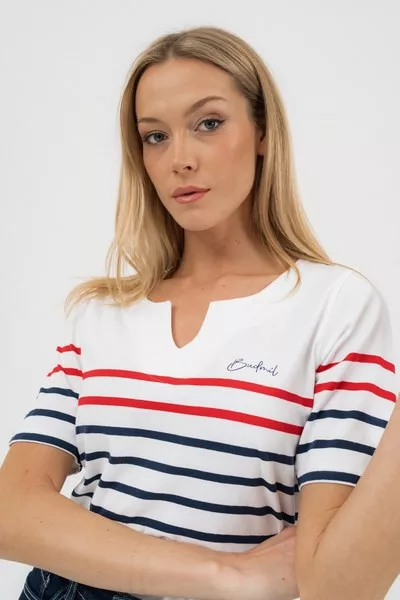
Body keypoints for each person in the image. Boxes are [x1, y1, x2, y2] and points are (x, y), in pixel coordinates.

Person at [0, 25, 397, 600]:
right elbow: (11, 512)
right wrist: (223, 573)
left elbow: (338, 586)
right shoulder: (103, 313)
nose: (179, 159)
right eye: (155, 136)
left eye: (208, 123)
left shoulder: (335, 306)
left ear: (262, 132)